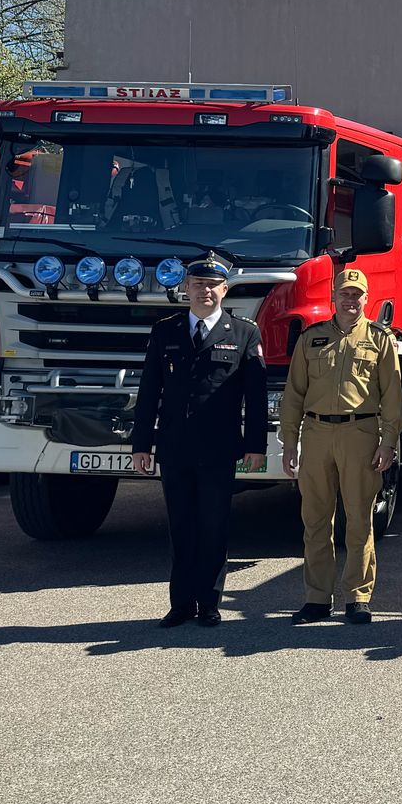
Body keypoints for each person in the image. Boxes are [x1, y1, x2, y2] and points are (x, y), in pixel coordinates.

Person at [129, 253, 267, 629]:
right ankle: (181, 604)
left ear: (224, 290)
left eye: (212, 285)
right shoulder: (166, 331)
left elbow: (255, 398)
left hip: (219, 450)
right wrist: (140, 445)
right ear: (186, 288)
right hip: (175, 448)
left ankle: (208, 602)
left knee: (214, 526)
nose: (205, 291)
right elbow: (149, 392)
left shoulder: (244, 332)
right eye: (198, 284)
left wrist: (256, 446)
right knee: (181, 527)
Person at [277, 266, 402, 625]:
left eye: (357, 294)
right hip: (316, 434)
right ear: (334, 297)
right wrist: (289, 443)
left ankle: (358, 597)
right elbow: (294, 394)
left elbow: (392, 398)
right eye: (344, 293)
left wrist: (389, 443)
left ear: (367, 298)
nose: (350, 300)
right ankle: (317, 599)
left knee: (360, 519)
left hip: (359, 434)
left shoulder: (380, 339)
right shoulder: (312, 338)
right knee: (315, 520)